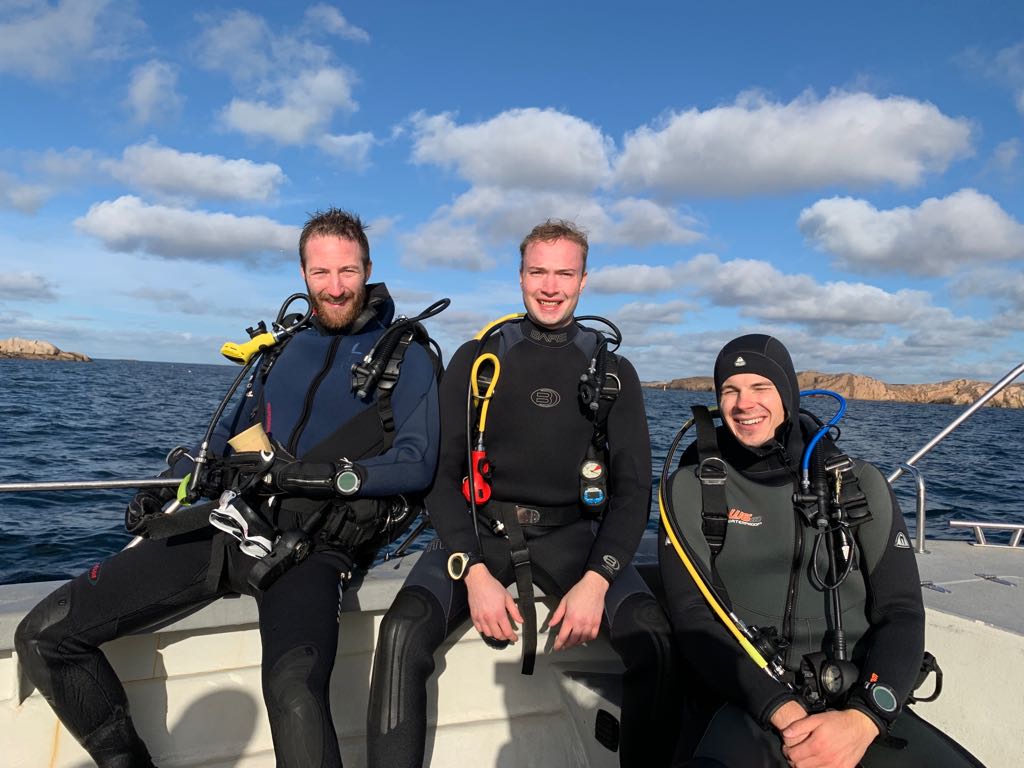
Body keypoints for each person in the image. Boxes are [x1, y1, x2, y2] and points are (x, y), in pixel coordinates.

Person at [15, 208, 441, 768]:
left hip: (312, 546)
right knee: (45, 635)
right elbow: (222, 438)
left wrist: (326, 477)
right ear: (303, 274)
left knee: (294, 691)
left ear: (367, 269)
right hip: (231, 523)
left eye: (347, 271)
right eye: (321, 272)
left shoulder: (406, 357)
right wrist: (169, 487)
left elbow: (417, 463)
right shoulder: (280, 348)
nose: (335, 287)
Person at [366, 219, 676, 767]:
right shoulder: (477, 359)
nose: (550, 287)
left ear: (583, 280)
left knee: (654, 640)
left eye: (565, 274)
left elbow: (632, 492)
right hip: (482, 531)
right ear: (520, 276)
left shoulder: (612, 372)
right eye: (538, 272)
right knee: (401, 633)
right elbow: (442, 476)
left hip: (575, 537)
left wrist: (597, 580)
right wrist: (473, 571)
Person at [659, 334, 984, 768]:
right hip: (746, 697)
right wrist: (782, 710)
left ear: (787, 394)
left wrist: (865, 718)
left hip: (855, 698)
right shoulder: (691, 489)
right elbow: (692, 617)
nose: (743, 403)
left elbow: (902, 612)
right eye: (730, 390)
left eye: (760, 387)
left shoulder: (857, 485)